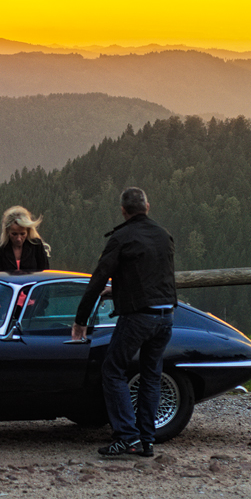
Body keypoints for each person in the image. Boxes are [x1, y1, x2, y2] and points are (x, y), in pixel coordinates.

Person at [71, 187, 176, 458]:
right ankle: (147, 439)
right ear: (147, 206)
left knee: (113, 370)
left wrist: (80, 320)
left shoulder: (121, 237)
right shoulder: (164, 235)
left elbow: (97, 279)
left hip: (138, 317)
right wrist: (117, 291)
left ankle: (126, 437)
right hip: (166, 316)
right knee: (151, 375)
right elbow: (151, 277)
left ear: (123, 210)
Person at [0, 206, 51, 272]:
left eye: (22, 234)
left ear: (28, 231)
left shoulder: (37, 246)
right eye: (14, 234)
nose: (18, 238)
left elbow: (45, 273)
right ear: (7, 231)